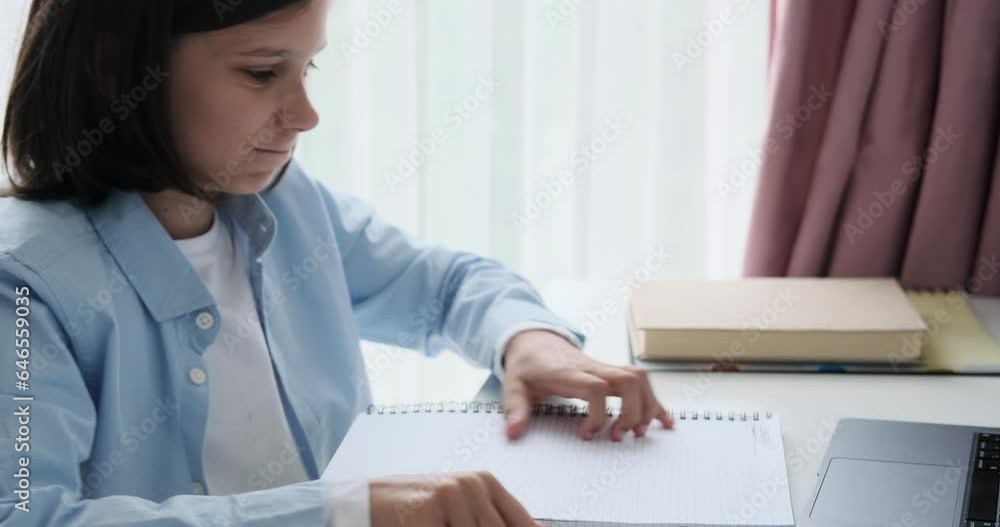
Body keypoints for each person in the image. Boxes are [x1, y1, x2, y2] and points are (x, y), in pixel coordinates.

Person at [0, 1, 673, 525]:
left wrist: (528, 339)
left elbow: (445, 285)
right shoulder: (23, 285)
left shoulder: (286, 206)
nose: (305, 114)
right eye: (263, 72)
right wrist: (354, 512)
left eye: (308, 67)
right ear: (114, 67)